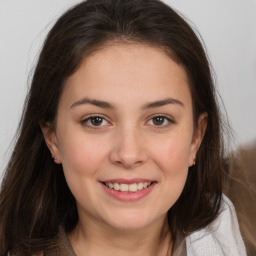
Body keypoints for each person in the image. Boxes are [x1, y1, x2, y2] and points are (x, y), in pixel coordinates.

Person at [0, 0, 247, 255]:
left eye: (159, 120)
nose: (128, 155)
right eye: (96, 120)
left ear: (196, 137)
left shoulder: (221, 231)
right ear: (52, 137)